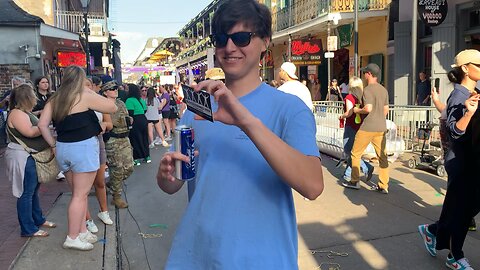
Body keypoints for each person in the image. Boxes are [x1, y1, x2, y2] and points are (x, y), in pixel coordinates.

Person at [157, 1, 324, 268]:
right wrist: (166, 175)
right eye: (221, 38)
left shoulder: (289, 109)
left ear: (265, 42)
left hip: (263, 260)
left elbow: (313, 186)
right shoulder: (199, 108)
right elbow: (175, 183)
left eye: (242, 37)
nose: (230, 47)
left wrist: (245, 121)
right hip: (196, 257)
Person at [38, 65, 117, 251]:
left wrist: (53, 145)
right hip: (83, 148)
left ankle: (81, 232)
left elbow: (42, 125)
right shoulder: (84, 95)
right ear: (80, 79)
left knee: (77, 195)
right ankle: (73, 237)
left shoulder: (55, 98)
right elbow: (112, 107)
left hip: (63, 147)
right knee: (80, 196)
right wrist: (89, 91)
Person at [418, 49, 480, 269]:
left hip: (473, 160)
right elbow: (455, 130)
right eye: (478, 65)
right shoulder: (459, 95)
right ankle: (455, 256)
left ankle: (433, 231)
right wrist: (469, 113)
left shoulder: (475, 91)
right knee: (462, 212)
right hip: (461, 162)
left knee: (463, 209)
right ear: (465, 68)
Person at [4, 84, 56, 238]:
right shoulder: (17, 114)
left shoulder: (24, 112)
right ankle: (28, 228)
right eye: (33, 95)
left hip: (29, 156)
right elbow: (29, 132)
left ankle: (38, 219)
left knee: (32, 191)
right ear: (27, 98)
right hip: (23, 156)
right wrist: (44, 126)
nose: (35, 98)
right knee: (26, 193)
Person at [341, 63, 389, 193]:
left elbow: (368, 108)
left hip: (367, 127)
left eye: (365, 73)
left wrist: (357, 109)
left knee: (355, 153)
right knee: (382, 157)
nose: (364, 76)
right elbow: (386, 109)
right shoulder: (383, 90)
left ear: (369, 74)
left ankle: (354, 181)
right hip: (381, 127)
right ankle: (383, 185)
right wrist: (379, 118)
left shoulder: (368, 90)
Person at [84, 76, 113, 233]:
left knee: (100, 181)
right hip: (81, 144)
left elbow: (110, 123)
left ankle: (104, 211)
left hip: (98, 141)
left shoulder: (99, 101)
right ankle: (87, 218)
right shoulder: (75, 103)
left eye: (89, 85)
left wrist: (103, 124)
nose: (86, 88)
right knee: (84, 187)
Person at [101, 81, 134, 208]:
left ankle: (113, 183)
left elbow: (125, 117)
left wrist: (129, 120)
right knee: (117, 169)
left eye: (116, 88)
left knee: (129, 167)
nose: (115, 90)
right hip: (113, 140)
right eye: (112, 89)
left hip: (125, 138)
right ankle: (116, 197)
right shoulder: (103, 105)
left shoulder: (120, 103)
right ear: (105, 92)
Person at [338, 77, 374, 183]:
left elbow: (349, 112)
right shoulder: (362, 97)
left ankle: (366, 167)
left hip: (351, 125)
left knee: (349, 150)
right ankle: (348, 174)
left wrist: (341, 116)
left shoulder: (349, 97)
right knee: (354, 151)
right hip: (360, 125)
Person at [125, 84, 150, 166]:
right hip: (143, 119)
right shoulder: (140, 99)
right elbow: (145, 109)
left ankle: (137, 158)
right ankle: (147, 156)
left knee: (135, 139)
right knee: (144, 138)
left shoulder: (129, 100)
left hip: (135, 120)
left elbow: (130, 112)